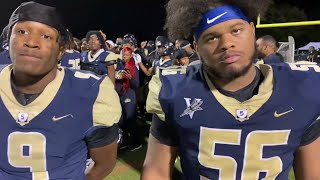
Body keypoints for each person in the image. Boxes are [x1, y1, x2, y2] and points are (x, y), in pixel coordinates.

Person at [142, 0, 320, 179]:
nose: (227, 44)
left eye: (236, 30)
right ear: (196, 47)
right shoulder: (175, 91)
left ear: (252, 30)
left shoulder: (299, 88)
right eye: (211, 37)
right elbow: (156, 171)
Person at [0, 2, 122, 180]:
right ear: (8, 40)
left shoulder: (90, 92)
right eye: (22, 32)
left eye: (45, 36)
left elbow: (103, 164)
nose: (31, 42)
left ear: (61, 51)